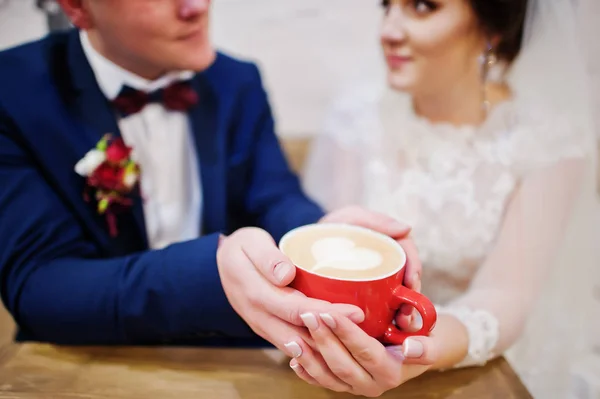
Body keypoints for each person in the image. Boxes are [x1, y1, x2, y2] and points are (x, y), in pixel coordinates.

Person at [0, 0, 423, 358]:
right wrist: (209, 273)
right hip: (79, 361)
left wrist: (320, 236)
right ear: (77, 7)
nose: (197, 6)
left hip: (229, 358)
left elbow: (274, 197)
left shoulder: (237, 81)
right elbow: (39, 288)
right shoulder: (13, 92)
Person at [301, 0, 599, 397]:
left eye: (423, 7)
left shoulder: (548, 139)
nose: (388, 30)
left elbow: (508, 292)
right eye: (387, 5)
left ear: (492, 27)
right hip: (366, 350)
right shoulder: (357, 118)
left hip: (493, 359)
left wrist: (424, 346)